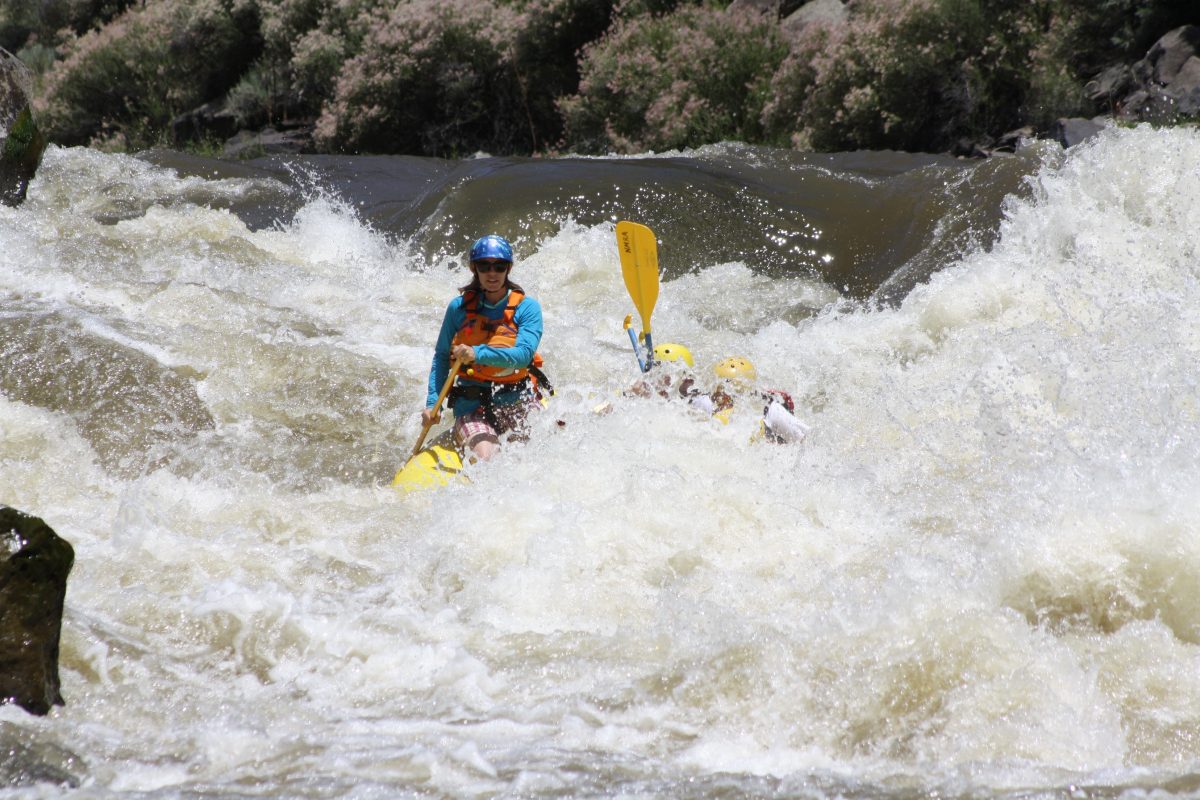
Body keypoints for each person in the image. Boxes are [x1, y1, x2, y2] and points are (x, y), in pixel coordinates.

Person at [421, 234, 550, 462]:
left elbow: (522, 357)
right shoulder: (458, 308)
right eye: (484, 266)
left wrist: (477, 353)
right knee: (488, 459)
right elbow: (442, 356)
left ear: (508, 269)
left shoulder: (527, 308)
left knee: (541, 455)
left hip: (519, 400)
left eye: (499, 267)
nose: (492, 273)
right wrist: (433, 404)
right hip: (473, 406)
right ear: (474, 268)